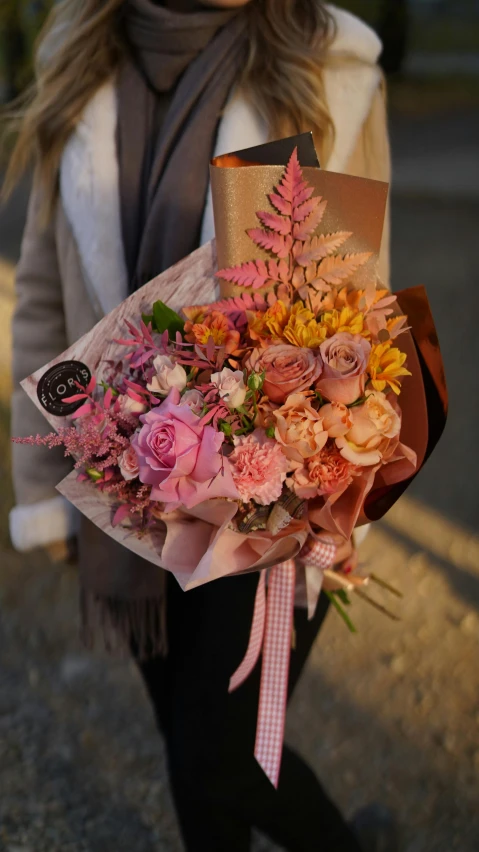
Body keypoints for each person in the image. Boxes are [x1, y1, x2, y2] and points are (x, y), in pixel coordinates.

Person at [7, 1, 395, 850]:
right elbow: (42, 295)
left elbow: (362, 309)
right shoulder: (78, 68)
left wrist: (341, 478)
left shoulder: (325, 69)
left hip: (268, 503)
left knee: (214, 754)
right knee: (196, 764)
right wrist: (50, 481)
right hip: (129, 496)